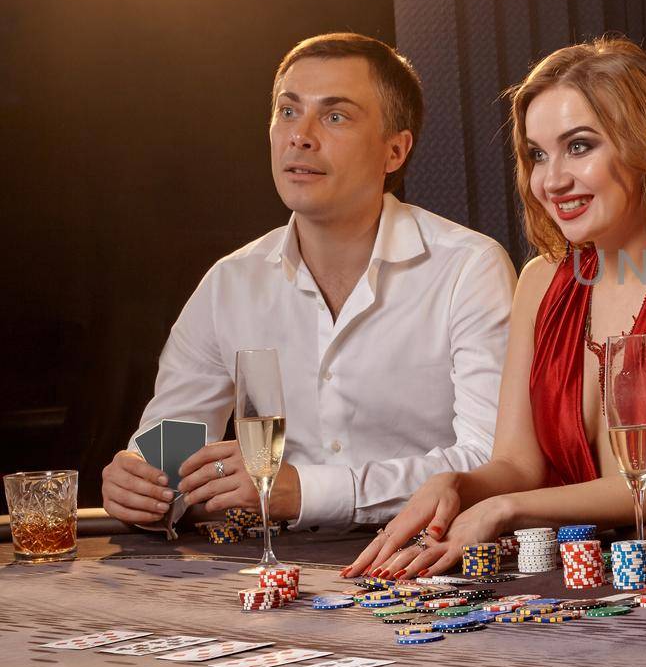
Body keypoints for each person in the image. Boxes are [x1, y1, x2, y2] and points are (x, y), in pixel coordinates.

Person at [346, 38, 646, 579]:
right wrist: (457, 485)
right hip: (570, 581)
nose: (551, 180)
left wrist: (503, 509)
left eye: (580, 146)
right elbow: (519, 464)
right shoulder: (541, 281)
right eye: (537, 154)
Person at [99, 33, 514, 532]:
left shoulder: (469, 268)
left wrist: (309, 491)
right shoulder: (229, 283)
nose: (301, 135)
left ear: (394, 151)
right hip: (277, 567)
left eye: (335, 116)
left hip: (429, 562)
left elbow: (490, 460)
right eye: (288, 112)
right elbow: (169, 457)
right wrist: (140, 486)